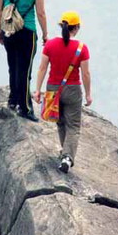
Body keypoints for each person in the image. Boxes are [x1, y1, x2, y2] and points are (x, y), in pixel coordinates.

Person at [33, 11, 92, 173]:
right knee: (73, 125)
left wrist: (38, 90)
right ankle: (67, 156)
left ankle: (64, 152)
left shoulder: (50, 45)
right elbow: (85, 74)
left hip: (53, 88)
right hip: (73, 89)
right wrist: (88, 94)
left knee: (59, 121)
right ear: (77, 28)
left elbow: (42, 68)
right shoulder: (82, 48)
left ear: (62, 26)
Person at [0, 0, 48, 122]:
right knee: (25, 71)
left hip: (8, 31)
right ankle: (25, 108)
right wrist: (46, 34)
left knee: (13, 66)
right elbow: (41, 13)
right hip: (27, 32)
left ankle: (13, 100)